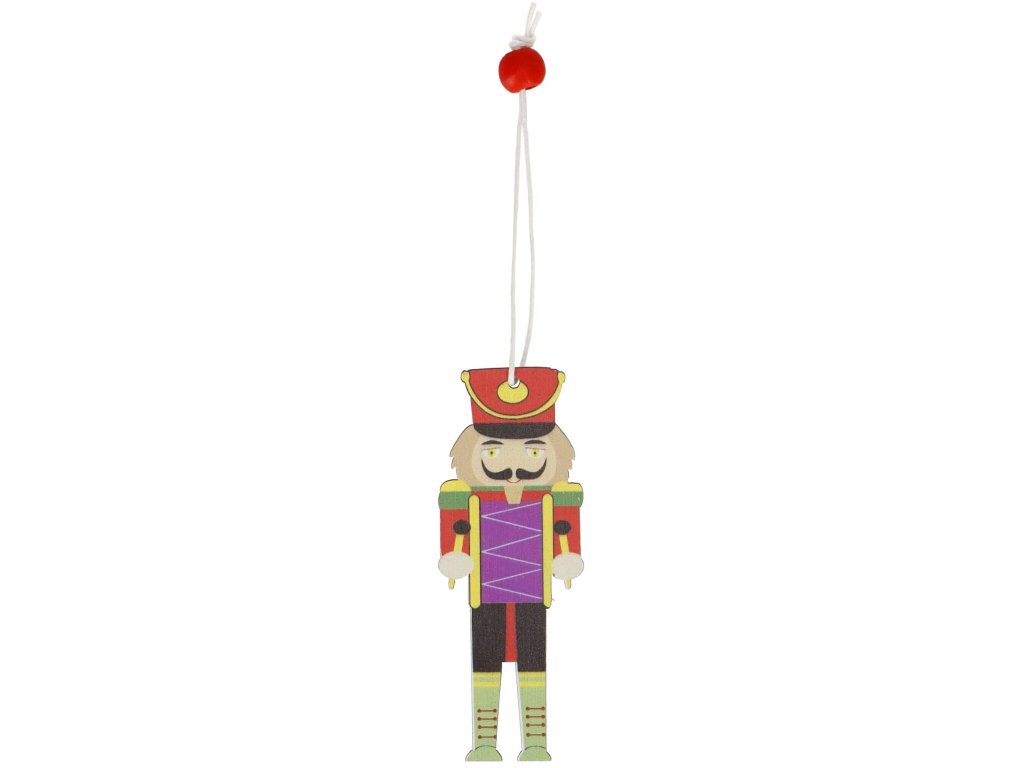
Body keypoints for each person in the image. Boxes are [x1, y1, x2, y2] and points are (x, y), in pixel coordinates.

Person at [439, 366, 584, 761]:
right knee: (484, 661)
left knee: (534, 661)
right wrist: (454, 556)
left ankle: (535, 742)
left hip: (533, 594)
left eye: (534, 452)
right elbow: (456, 530)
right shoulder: (465, 497)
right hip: (484, 594)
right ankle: (485, 742)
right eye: (492, 452)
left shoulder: (554, 498)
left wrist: (566, 556)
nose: (514, 468)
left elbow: (564, 530)